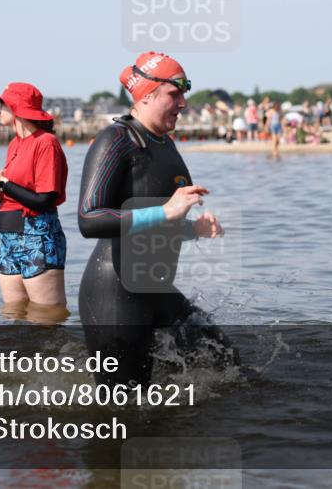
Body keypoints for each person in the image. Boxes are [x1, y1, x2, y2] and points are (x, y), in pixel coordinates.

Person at [77, 51, 232, 387]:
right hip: (115, 293)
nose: (183, 104)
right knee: (126, 406)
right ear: (146, 95)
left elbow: (158, 222)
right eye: (174, 95)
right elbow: (89, 219)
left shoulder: (163, 143)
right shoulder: (116, 141)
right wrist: (166, 211)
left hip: (156, 289)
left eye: (183, 95)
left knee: (226, 364)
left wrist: (193, 229)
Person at [0, 82, 69, 313]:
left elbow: (44, 200)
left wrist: (2, 182)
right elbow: (12, 197)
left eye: (0, 104)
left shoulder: (46, 142)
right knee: (13, 315)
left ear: (17, 107)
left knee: (46, 318)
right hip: (9, 238)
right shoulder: (14, 143)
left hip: (38, 238)